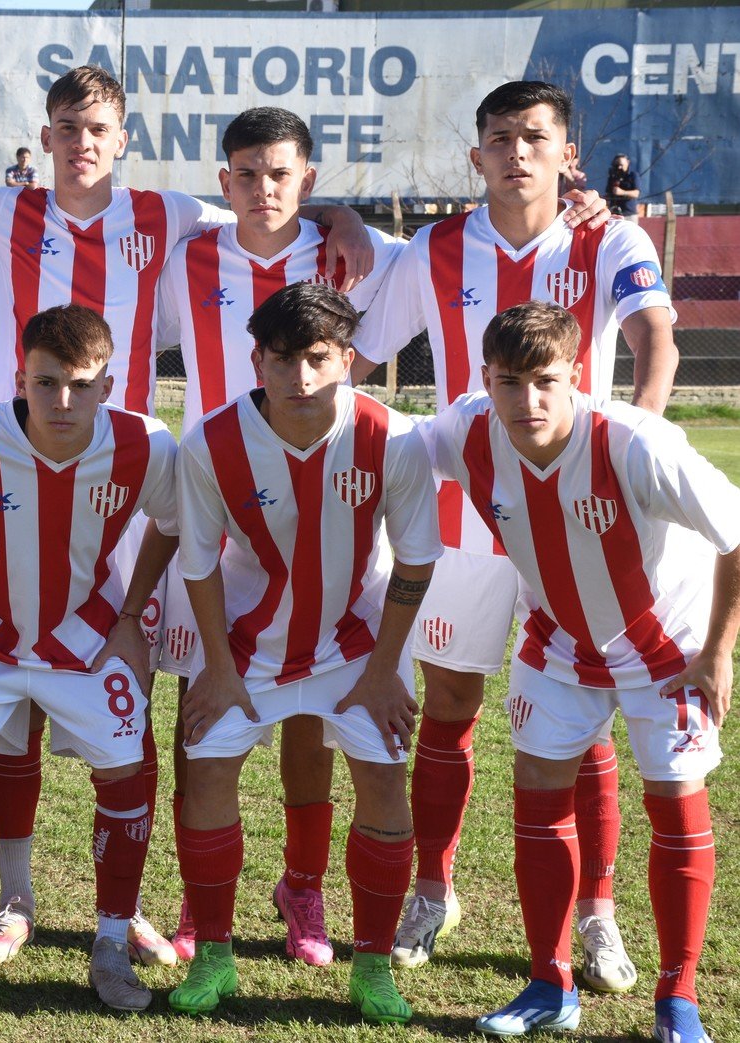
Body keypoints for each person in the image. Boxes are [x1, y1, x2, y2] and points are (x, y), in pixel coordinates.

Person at [0, 62, 374, 968]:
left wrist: (342, 218)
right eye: (65, 127)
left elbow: (271, 215)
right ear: (41, 138)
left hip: (120, 490)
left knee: (136, 693)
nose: (81, 143)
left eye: (98, 129)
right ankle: (4, 896)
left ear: (122, 139)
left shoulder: (168, 219)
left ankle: (134, 911)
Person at [352, 80, 676, 985]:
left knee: (584, 723)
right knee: (445, 708)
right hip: (465, 520)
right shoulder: (437, 247)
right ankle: (432, 887)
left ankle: (596, 910)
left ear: (566, 153)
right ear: (477, 156)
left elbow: (657, 339)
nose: (517, 152)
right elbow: (362, 345)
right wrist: (344, 224)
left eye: (535, 137)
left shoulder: (608, 236)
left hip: (578, 523)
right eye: (500, 137)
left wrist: (632, 443)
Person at [420, 300, 738, 1043]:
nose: (525, 401)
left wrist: (717, 653)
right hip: (560, 640)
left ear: (576, 376)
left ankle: (678, 1001)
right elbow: (379, 441)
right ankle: (547, 982)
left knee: (674, 798)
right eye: (507, 382)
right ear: (485, 380)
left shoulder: (633, 443)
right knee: (536, 786)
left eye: (543, 381)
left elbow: (733, 530)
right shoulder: (468, 428)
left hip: (665, 646)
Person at [153, 106, 405, 964]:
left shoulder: (356, 255)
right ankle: (200, 902)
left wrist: (350, 222)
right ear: (223, 183)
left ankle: (301, 886)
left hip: (321, 515)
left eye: (282, 173)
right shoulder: (184, 255)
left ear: (308, 177)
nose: (265, 188)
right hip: (218, 508)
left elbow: (443, 274)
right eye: (247, 174)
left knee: (309, 716)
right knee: (201, 708)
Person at [170, 282, 439, 1024]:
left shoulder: (392, 437)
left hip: (357, 648)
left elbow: (414, 562)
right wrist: (217, 671)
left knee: (385, 784)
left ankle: (374, 967)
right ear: (256, 359)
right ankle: (216, 955)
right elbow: (195, 564)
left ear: (347, 359)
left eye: (318, 358)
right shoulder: (210, 442)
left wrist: (384, 672)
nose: (301, 378)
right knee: (208, 772)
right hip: (246, 648)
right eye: (282, 359)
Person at [0, 303, 180, 1013]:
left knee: (125, 770)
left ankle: (112, 943)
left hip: (90, 637)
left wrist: (128, 614)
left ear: (108, 384)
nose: (63, 400)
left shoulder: (145, 442)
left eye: (81, 384)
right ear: (19, 378)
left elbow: (173, 522)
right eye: (46, 381)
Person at [605, 154, 640, 219]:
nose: (619, 167)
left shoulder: (633, 175)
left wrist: (622, 192)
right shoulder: (612, 176)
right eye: (617, 165)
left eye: (621, 165)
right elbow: (608, 193)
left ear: (628, 163)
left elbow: (636, 193)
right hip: (614, 213)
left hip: (628, 214)